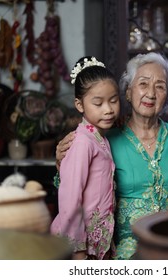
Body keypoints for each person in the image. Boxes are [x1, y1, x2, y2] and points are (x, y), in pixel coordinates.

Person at [55, 52, 168, 260]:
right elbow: (72, 191)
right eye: (143, 84)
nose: (151, 93)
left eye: (160, 86)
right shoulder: (105, 138)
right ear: (128, 92)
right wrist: (60, 160)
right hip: (123, 248)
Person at [50, 56, 120, 260]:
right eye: (98, 103)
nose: (108, 109)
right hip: (80, 244)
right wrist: (78, 250)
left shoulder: (99, 138)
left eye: (113, 100)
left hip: (98, 239)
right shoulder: (82, 142)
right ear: (79, 105)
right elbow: (70, 198)